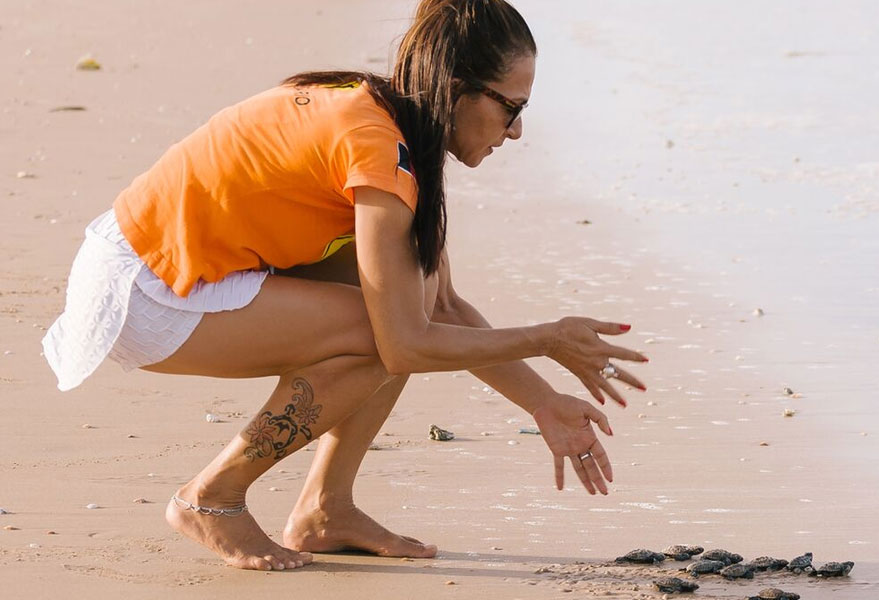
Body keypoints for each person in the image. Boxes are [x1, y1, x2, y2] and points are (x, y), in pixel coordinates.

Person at [39, 0, 645, 571]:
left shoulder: (392, 126)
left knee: (405, 307)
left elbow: (448, 307)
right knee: (383, 331)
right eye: (512, 108)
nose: (515, 132)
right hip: (143, 289)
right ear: (458, 89)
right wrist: (547, 338)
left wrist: (542, 404)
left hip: (171, 265)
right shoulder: (383, 151)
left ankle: (326, 508)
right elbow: (406, 345)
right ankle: (210, 497)